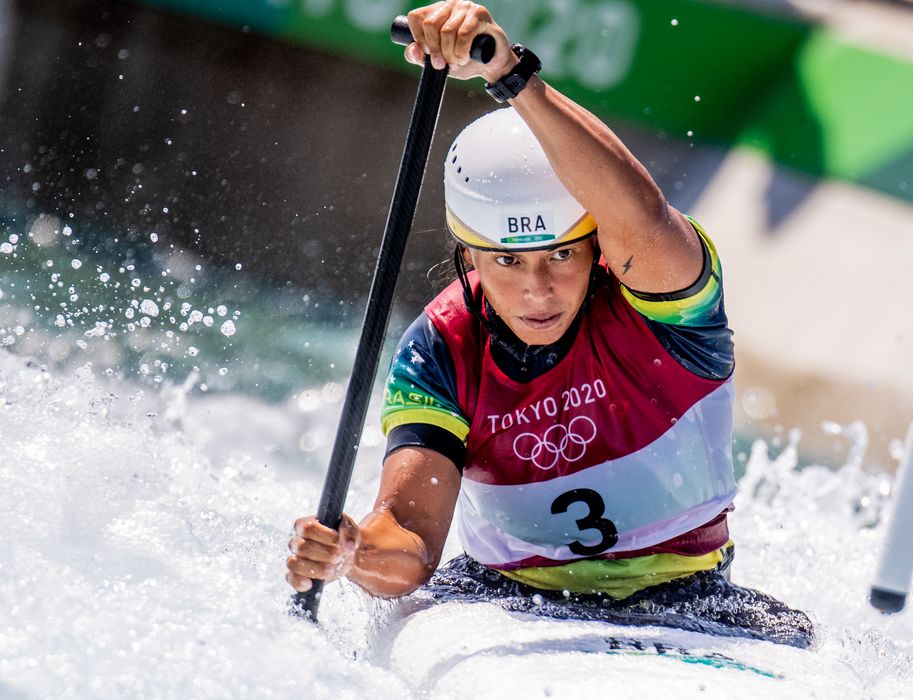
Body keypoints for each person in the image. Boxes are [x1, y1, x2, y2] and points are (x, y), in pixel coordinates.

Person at [286, 0, 812, 647]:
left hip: (689, 597)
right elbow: (412, 545)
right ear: (469, 254)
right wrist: (355, 551)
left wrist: (509, 74)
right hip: (501, 596)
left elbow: (642, 215)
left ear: (595, 241)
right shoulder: (442, 348)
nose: (537, 288)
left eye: (560, 253)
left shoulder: (660, 301)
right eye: (506, 261)